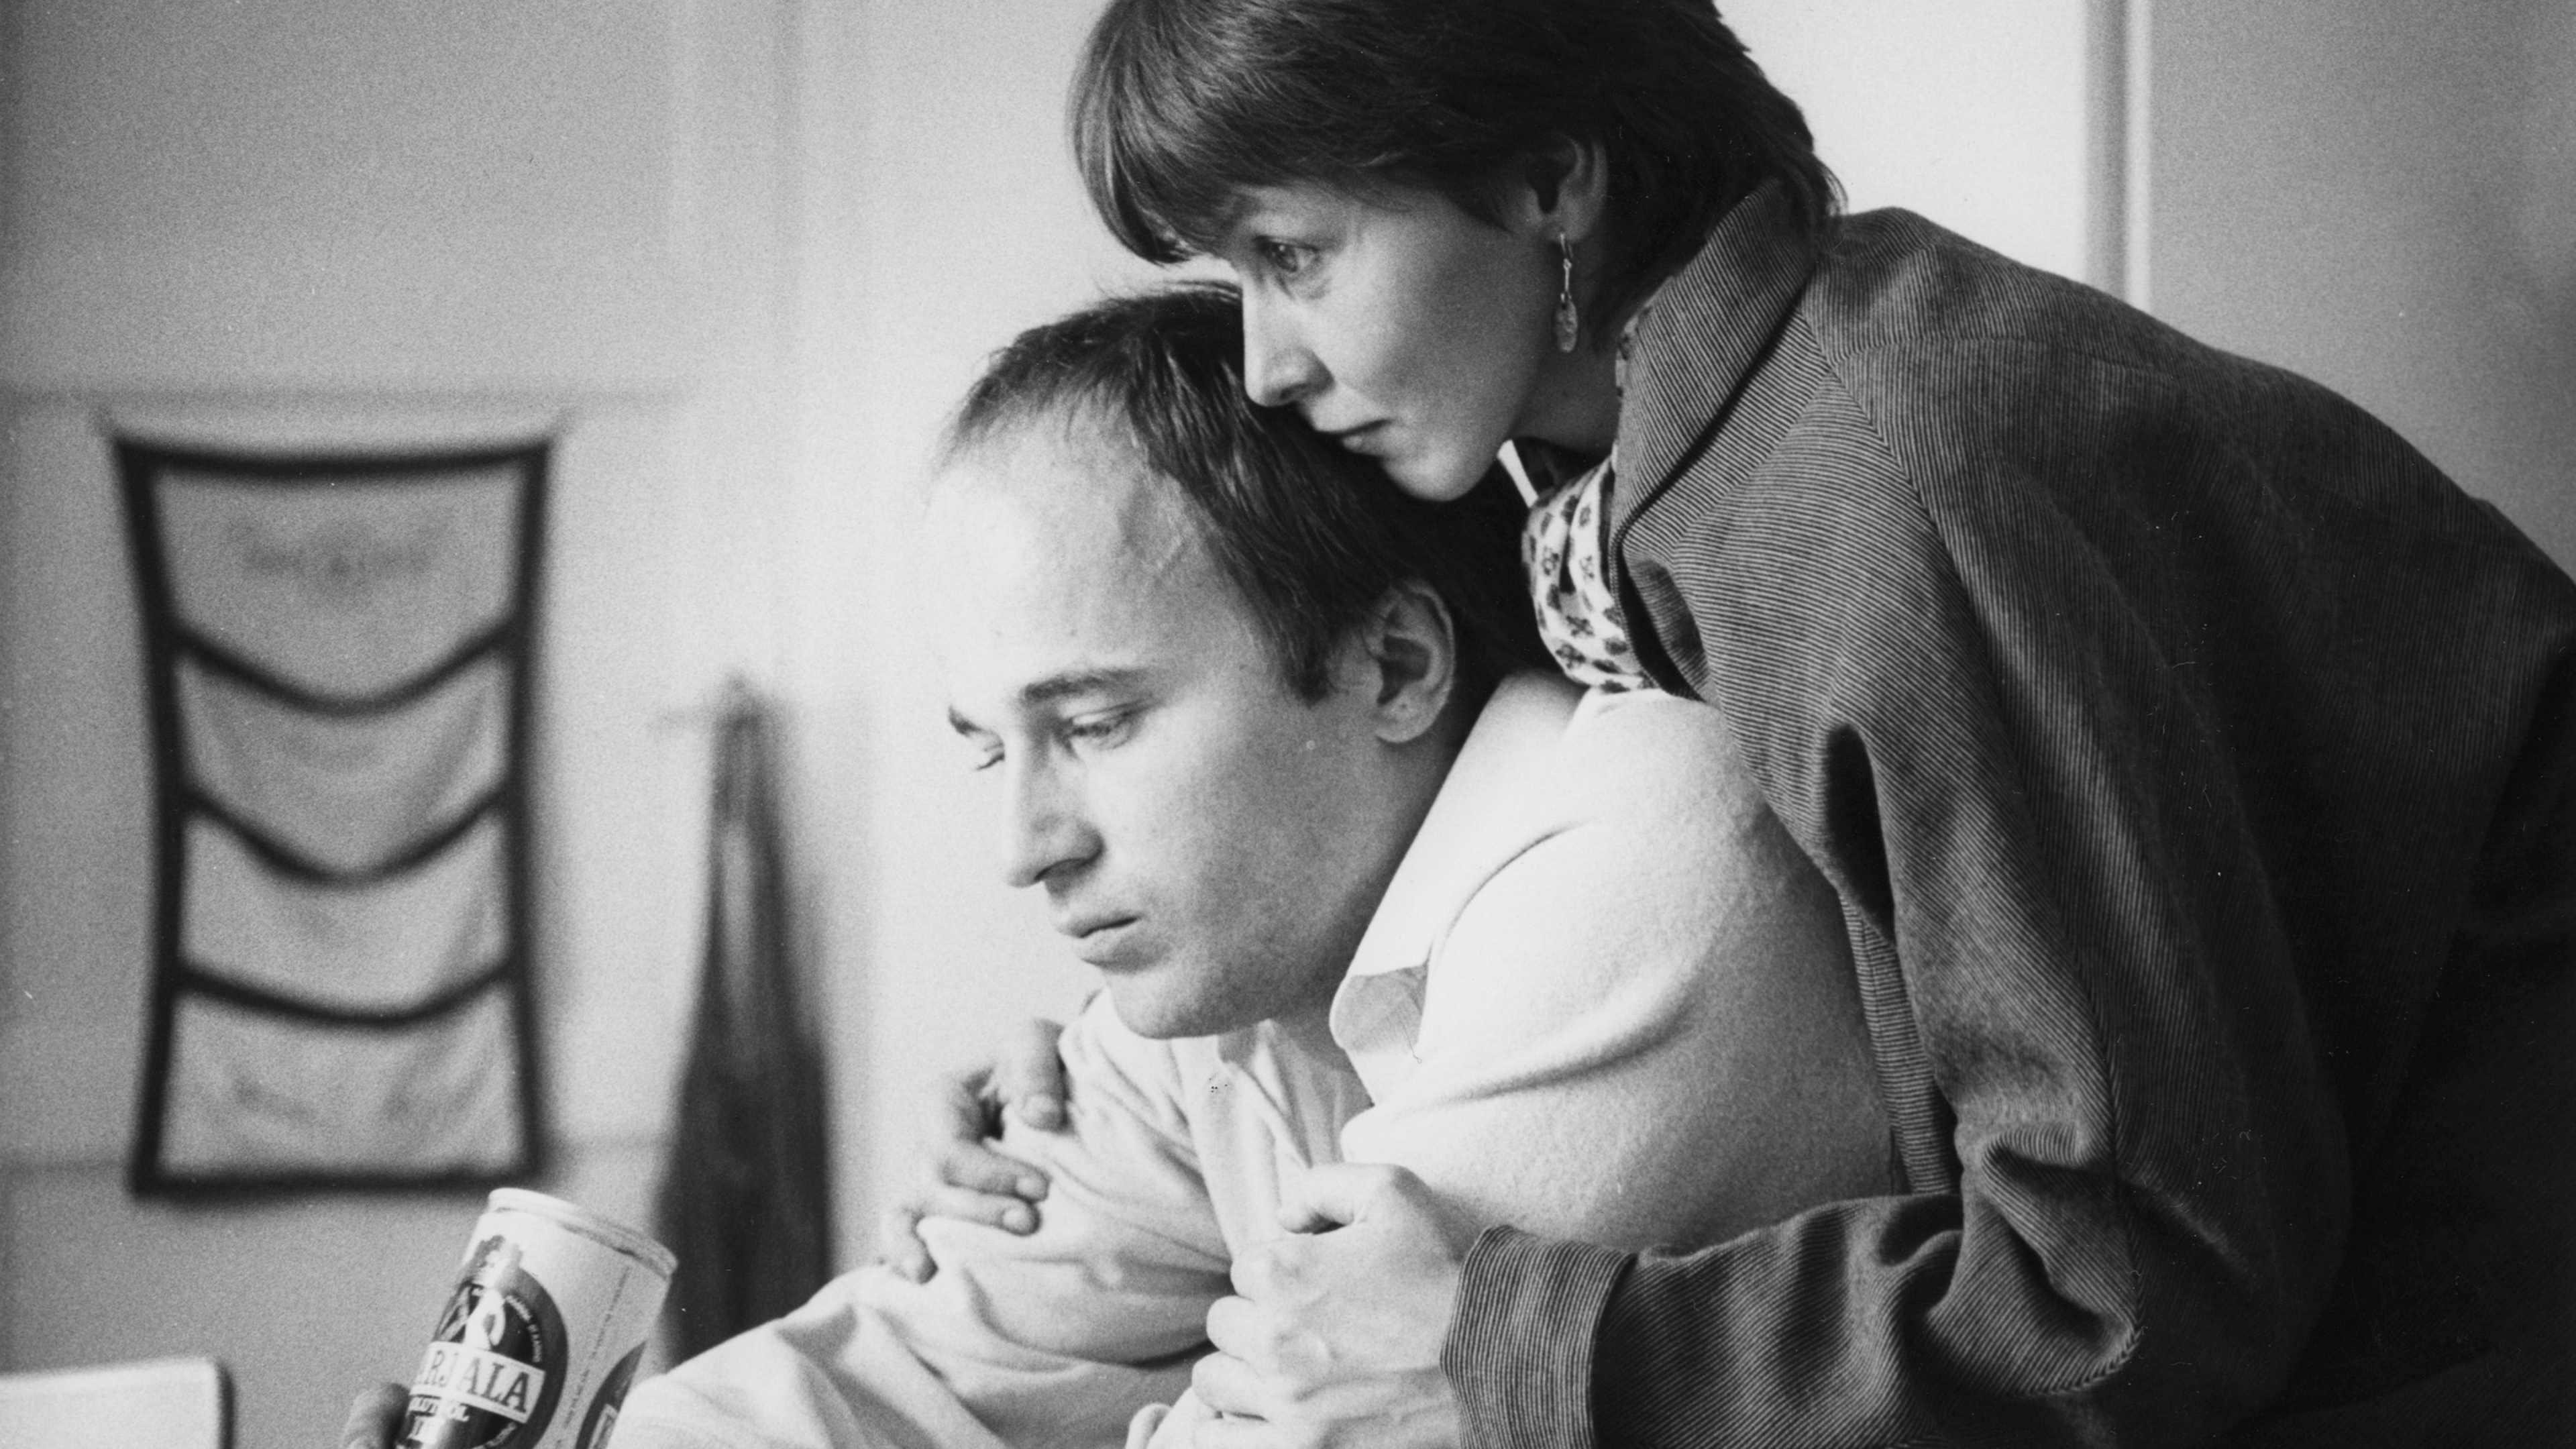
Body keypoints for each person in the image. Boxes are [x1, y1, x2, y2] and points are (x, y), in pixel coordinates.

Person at [915, 1, 2576, 1443]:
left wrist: (1513, 1349)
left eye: (1294, 257)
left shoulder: (1876, 489)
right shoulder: (1641, 477)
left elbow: (2130, 1289)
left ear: (1550, 183)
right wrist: (1129, 1058)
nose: (1268, 363)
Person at [343, 283, 1886, 1449]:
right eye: (990, 749)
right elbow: (901, 1375)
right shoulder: (1241, 966)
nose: (1028, 848)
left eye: (1094, 724)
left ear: (1397, 666)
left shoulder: (1638, 875)